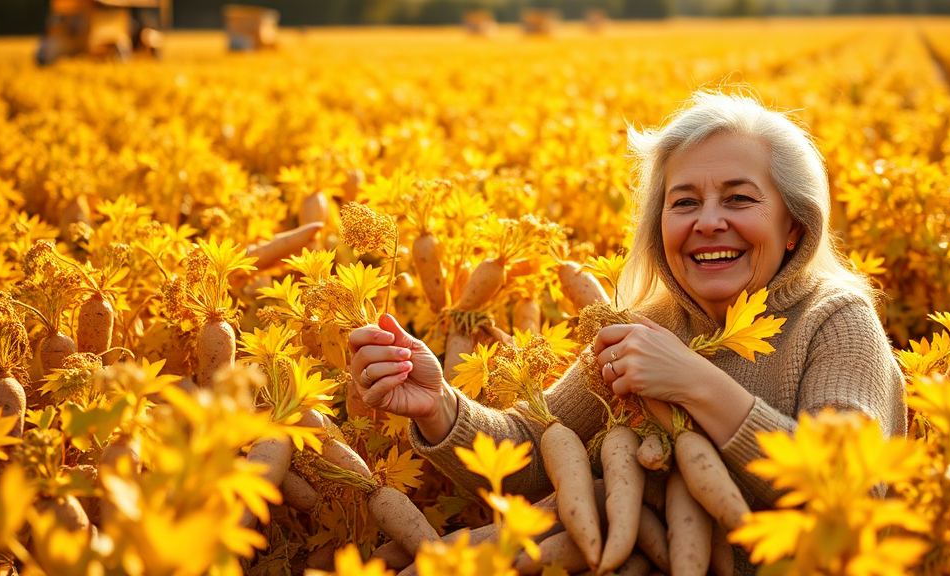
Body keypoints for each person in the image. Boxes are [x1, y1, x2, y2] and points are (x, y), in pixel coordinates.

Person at [347, 91, 907, 573]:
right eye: (684, 202)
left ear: (795, 227)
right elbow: (536, 449)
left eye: (739, 198)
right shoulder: (651, 323)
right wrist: (439, 405)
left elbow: (847, 488)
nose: (708, 222)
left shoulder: (836, 321)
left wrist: (695, 383)